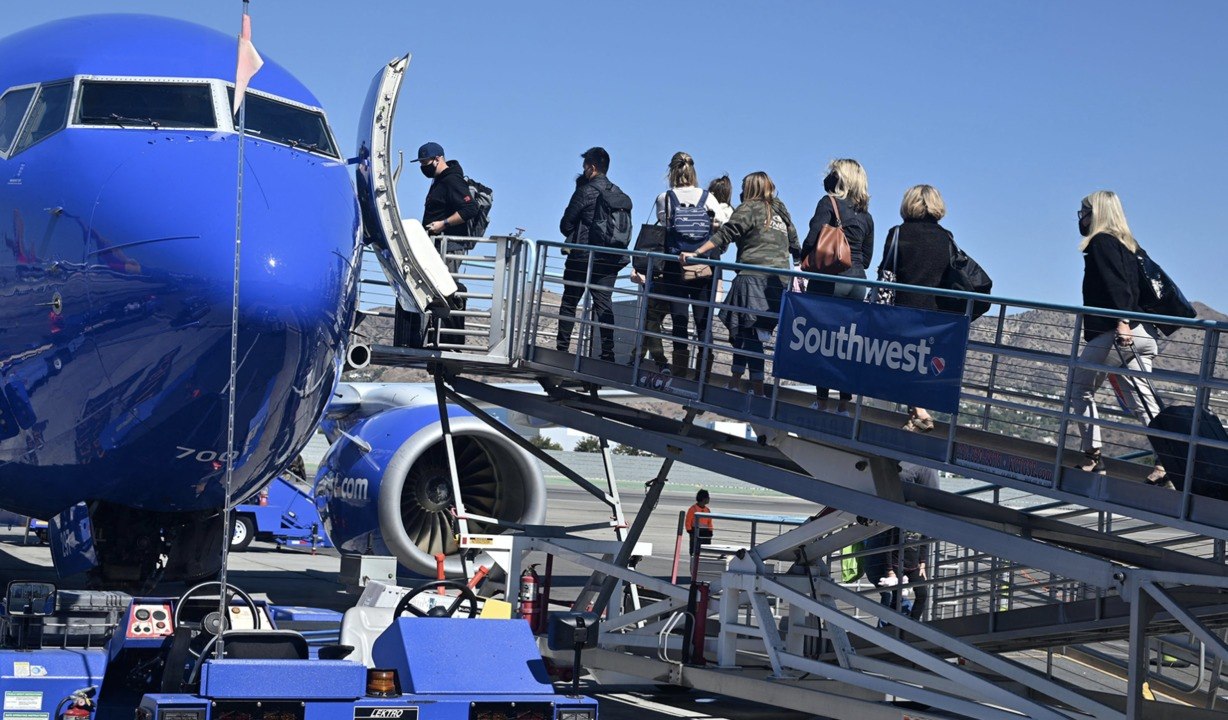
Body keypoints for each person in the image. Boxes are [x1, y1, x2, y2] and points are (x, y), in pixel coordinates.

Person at [1070, 191, 1168, 486]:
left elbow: (1118, 287)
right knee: (1144, 403)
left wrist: (1122, 322)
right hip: (1143, 333)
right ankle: (1168, 461)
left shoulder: (1101, 243)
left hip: (1116, 333)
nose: (1080, 216)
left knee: (1079, 388)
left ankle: (1092, 455)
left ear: (1096, 213)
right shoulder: (1130, 245)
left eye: (1084, 210)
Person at [681, 172, 799, 396]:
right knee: (746, 330)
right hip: (779, 282)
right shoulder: (782, 212)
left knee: (748, 331)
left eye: (745, 187)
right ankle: (735, 379)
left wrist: (696, 252)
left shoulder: (750, 207)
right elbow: (795, 244)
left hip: (752, 278)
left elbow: (727, 233)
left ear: (750, 188)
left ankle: (757, 388)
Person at [878, 184, 955, 433]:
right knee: (918, 363)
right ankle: (916, 415)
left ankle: (920, 412)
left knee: (900, 361)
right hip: (934, 315)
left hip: (903, 310)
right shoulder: (947, 238)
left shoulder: (898, 233)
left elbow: (886, 274)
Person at [801, 159, 875, 415]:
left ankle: (822, 400)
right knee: (846, 345)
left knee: (821, 341)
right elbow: (866, 256)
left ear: (840, 178)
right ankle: (844, 403)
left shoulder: (828, 203)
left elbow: (813, 235)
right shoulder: (866, 215)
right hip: (857, 281)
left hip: (829, 279)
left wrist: (804, 257)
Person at [648, 152, 727, 376]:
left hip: (676, 266)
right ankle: (704, 375)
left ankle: (680, 373)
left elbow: (664, 224)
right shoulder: (708, 197)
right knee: (703, 322)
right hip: (702, 265)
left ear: (671, 172)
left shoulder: (665, 197)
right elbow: (721, 223)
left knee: (679, 321)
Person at [556, 147, 632, 361]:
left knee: (570, 302)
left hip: (582, 257)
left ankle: (562, 350)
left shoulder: (585, 191)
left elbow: (565, 224)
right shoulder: (617, 191)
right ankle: (608, 353)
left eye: (585, 165)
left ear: (592, 167)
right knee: (603, 304)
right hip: (610, 257)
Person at [862, 462, 937, 622]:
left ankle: (910, 624)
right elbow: (889, 546)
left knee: (919, 595)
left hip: (912, 564)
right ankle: (893, 626)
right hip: (896, 564)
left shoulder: (920, 520)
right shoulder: (898, 520)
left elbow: (924, 540)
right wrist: (890, 570)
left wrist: (923, 563)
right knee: (891, 596)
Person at [416, 141, 479, 273]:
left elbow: (470, 208)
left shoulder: (452, 180)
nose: (422, 167)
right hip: (436, 245)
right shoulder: (439, 180)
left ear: (437, 159)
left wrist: (443, 224)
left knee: (445, 288)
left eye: (424, 163)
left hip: (448, 248)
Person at [684, 489, 714, 555]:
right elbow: (688, 521)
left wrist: (710, 531)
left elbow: (709, 522)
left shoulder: (707, 510)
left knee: (705, 550)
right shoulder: (693, 509)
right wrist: (690, 531)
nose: (709, 499)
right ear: (703, 498)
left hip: (705, 532)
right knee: (694, 550)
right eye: (708, 497)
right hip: (695, 531)